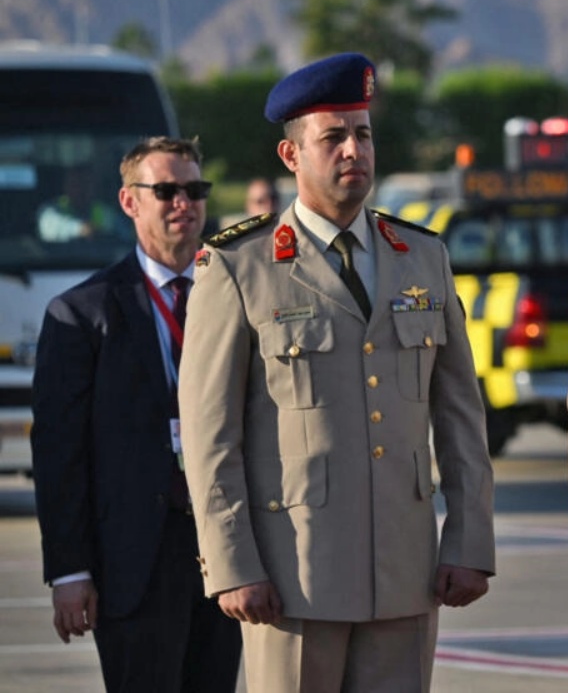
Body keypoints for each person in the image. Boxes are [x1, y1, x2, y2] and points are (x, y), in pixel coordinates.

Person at [177, 52, 496, 692]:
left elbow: (460, 415)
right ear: (291, 155)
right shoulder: (240, 266)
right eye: (333, 138)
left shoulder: (422, 256)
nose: (354, 150)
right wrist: (233, 564)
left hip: (403, 575)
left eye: (363, 134)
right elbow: (210, 435)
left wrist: (469, 542)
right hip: (293, 577)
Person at [31, 137, 241, 691]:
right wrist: (70, 570)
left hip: (227, 552)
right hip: (136, 560)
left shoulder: (237, 297)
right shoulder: (83, 312)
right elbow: (58, 453)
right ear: (130, 201)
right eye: (166, 191)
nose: (184, 203)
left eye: (195, 189)